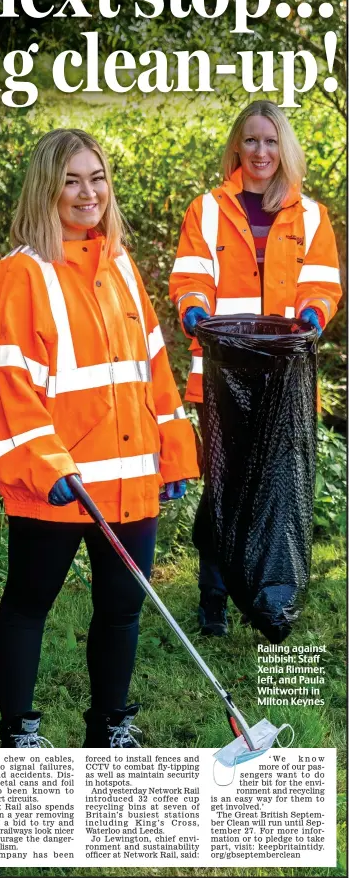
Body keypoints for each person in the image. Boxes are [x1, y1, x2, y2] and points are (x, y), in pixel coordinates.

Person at [0, 129, 200, 748]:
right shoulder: (19, 274)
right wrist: (48, 466)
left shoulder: (122, 265)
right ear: (47, 189)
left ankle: (110, 727)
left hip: (130, 476)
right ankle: (19, 731)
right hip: (56, 481)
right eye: (71, 180)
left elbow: (153, 366)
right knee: (29, 605)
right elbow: (7, 383)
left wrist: (175, 448)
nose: (87, 193)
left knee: (122, 610)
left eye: (96, 178)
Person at [169, 100, 341, 638]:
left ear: (284, 148)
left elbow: (322, 285)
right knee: (225, 488)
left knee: (275, 491)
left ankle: (266, 596)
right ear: (236, 148)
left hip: (284, 381)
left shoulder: (310, 216)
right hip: (223, 378)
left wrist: (314, 316)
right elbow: (190, 277)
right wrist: (194, 311)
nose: (260, 151)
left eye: (270, 141)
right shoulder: (208, 210)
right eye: (250, 140)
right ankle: (215, 598)